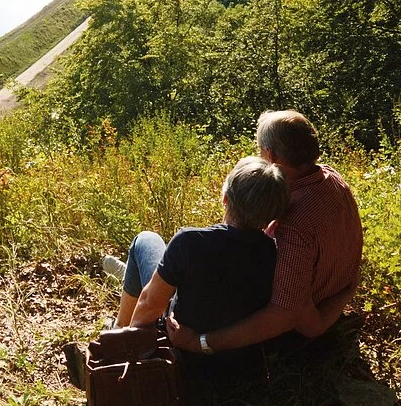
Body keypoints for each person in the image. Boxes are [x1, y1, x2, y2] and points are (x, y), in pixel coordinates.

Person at [166, 109, 364, 357]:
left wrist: (202, 342)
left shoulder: (293, 223)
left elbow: (286, 315)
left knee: (171, 261)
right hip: (327, 296)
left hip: (288, 336)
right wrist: (345, 293)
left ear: (271, 155)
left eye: (260, 150)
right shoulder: (331, 177)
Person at [109, 155, 290, 381]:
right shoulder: (274, 253)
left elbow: (149, 303)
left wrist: (131, 349)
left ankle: (118, 330)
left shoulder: (189, 242)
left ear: (225, 198)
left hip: (182, 356)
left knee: (146, 240)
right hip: (237, 370)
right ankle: (134, 277)